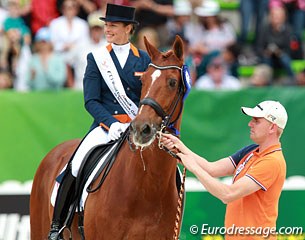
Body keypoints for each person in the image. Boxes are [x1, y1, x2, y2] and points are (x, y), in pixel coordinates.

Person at [47, 3, 150, 240]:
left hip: (137, 128)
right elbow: (91, 101)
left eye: (113, 25)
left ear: (128, 29)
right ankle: (57, 226)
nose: (107, 30)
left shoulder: (144, 59)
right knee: (75, 164)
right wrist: (111, 124)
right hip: (107, 127)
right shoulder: (96, 58)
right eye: (106, 25)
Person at [161, 100, 288, 239]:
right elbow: (212, 169)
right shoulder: (252, 150)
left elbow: (228, 194)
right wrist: (179, 146)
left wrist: (192, 167)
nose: (250, 124)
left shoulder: (272, 161)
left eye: (256, 121)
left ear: (272, 128)